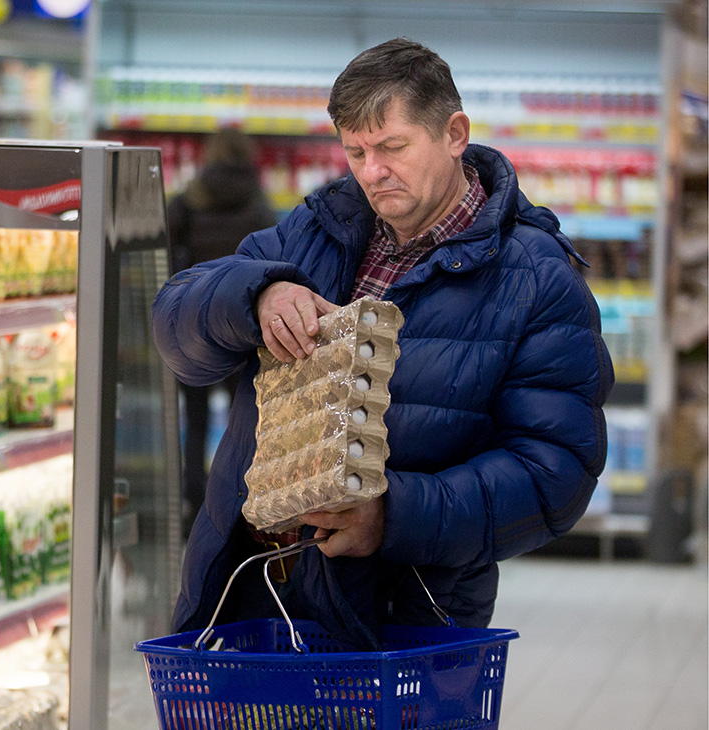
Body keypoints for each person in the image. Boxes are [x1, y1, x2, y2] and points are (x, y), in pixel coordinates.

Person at [152, 38, 612, 646]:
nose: (372, 172)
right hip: (246, 592)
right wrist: (255, 294)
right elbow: (173, 321)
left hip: (397, 621)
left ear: (454, 133)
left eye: (392, 147)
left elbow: (555, 473)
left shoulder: (536, 278)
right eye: (356, 151)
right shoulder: (317, 229)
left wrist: (392, 515)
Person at [165, 128, 277, 532]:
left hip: (194, 328)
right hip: (244, 333)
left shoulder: (189, 201)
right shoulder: (259, 203)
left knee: (193, 423)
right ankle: (237, 504)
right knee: (243, 422)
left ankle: (193, 505)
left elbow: (162, 253)